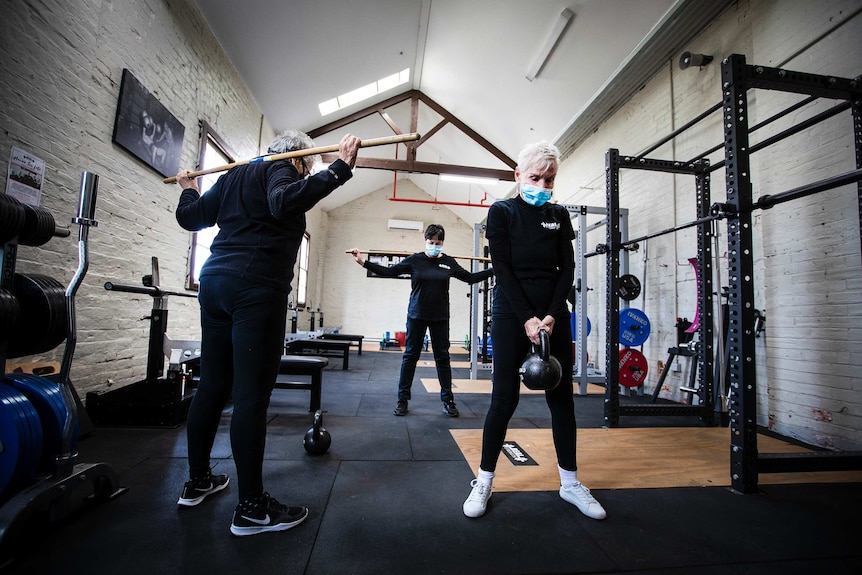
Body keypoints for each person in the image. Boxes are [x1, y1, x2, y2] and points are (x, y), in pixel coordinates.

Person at [173, 130, 361, 537]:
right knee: (250, 398)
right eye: (305, 167)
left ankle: (198, 479)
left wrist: (189, 188)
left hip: (216, 283)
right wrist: (340, 169)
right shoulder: (281, 170)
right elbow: (282, 201)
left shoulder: (231, 177)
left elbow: (191, 217)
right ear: (298, 160)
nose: (303, 173)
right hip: (255, 288)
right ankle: (252, 508)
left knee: (212, 386)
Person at [462, 141, 606, 521]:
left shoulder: (559, 215)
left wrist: (553, 315)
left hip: (552, 316)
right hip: (512, 314)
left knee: (562, 402)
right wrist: (527, 317)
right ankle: (484, 479)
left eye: (550, 179)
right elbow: (503, 271)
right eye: (535, 178)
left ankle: (570, 484)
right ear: (518, 176)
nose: (543, 185)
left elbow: (568, 268)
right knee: (503, 400)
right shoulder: (502, 212)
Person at [350, 224, 493, 417]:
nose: (434, 245)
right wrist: (363, 262)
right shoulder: (415, 260)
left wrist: (495, 269)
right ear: (425, 241)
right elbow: (389, 272)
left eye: (438, 242)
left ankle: (448, 400)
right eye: (431, 242)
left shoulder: (449, 262)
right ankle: (402, 400)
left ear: (442, 243)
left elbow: (470, 278)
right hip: (416, 316)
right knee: (410, 357)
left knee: (442, 359)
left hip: (440, 317)